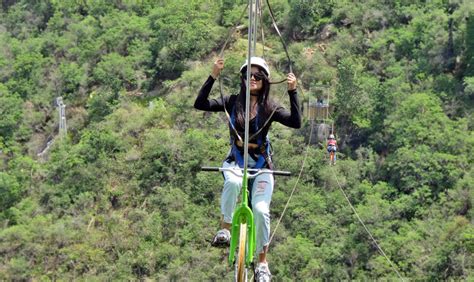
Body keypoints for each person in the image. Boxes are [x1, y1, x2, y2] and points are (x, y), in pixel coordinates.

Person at [194, 57, 301, 281]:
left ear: (265, 80)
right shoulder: (233, 102)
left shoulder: (269, 107)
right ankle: (225, 226)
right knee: (232, 182)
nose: (252, 79)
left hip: (262, 166)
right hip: (236, 162)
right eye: (248, 75)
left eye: (257, 76)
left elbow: (295, 122)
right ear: (242, 79)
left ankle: (262, 263)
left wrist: (293, 92)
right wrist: (213, 75)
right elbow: (200, 103)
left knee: (261, 210)